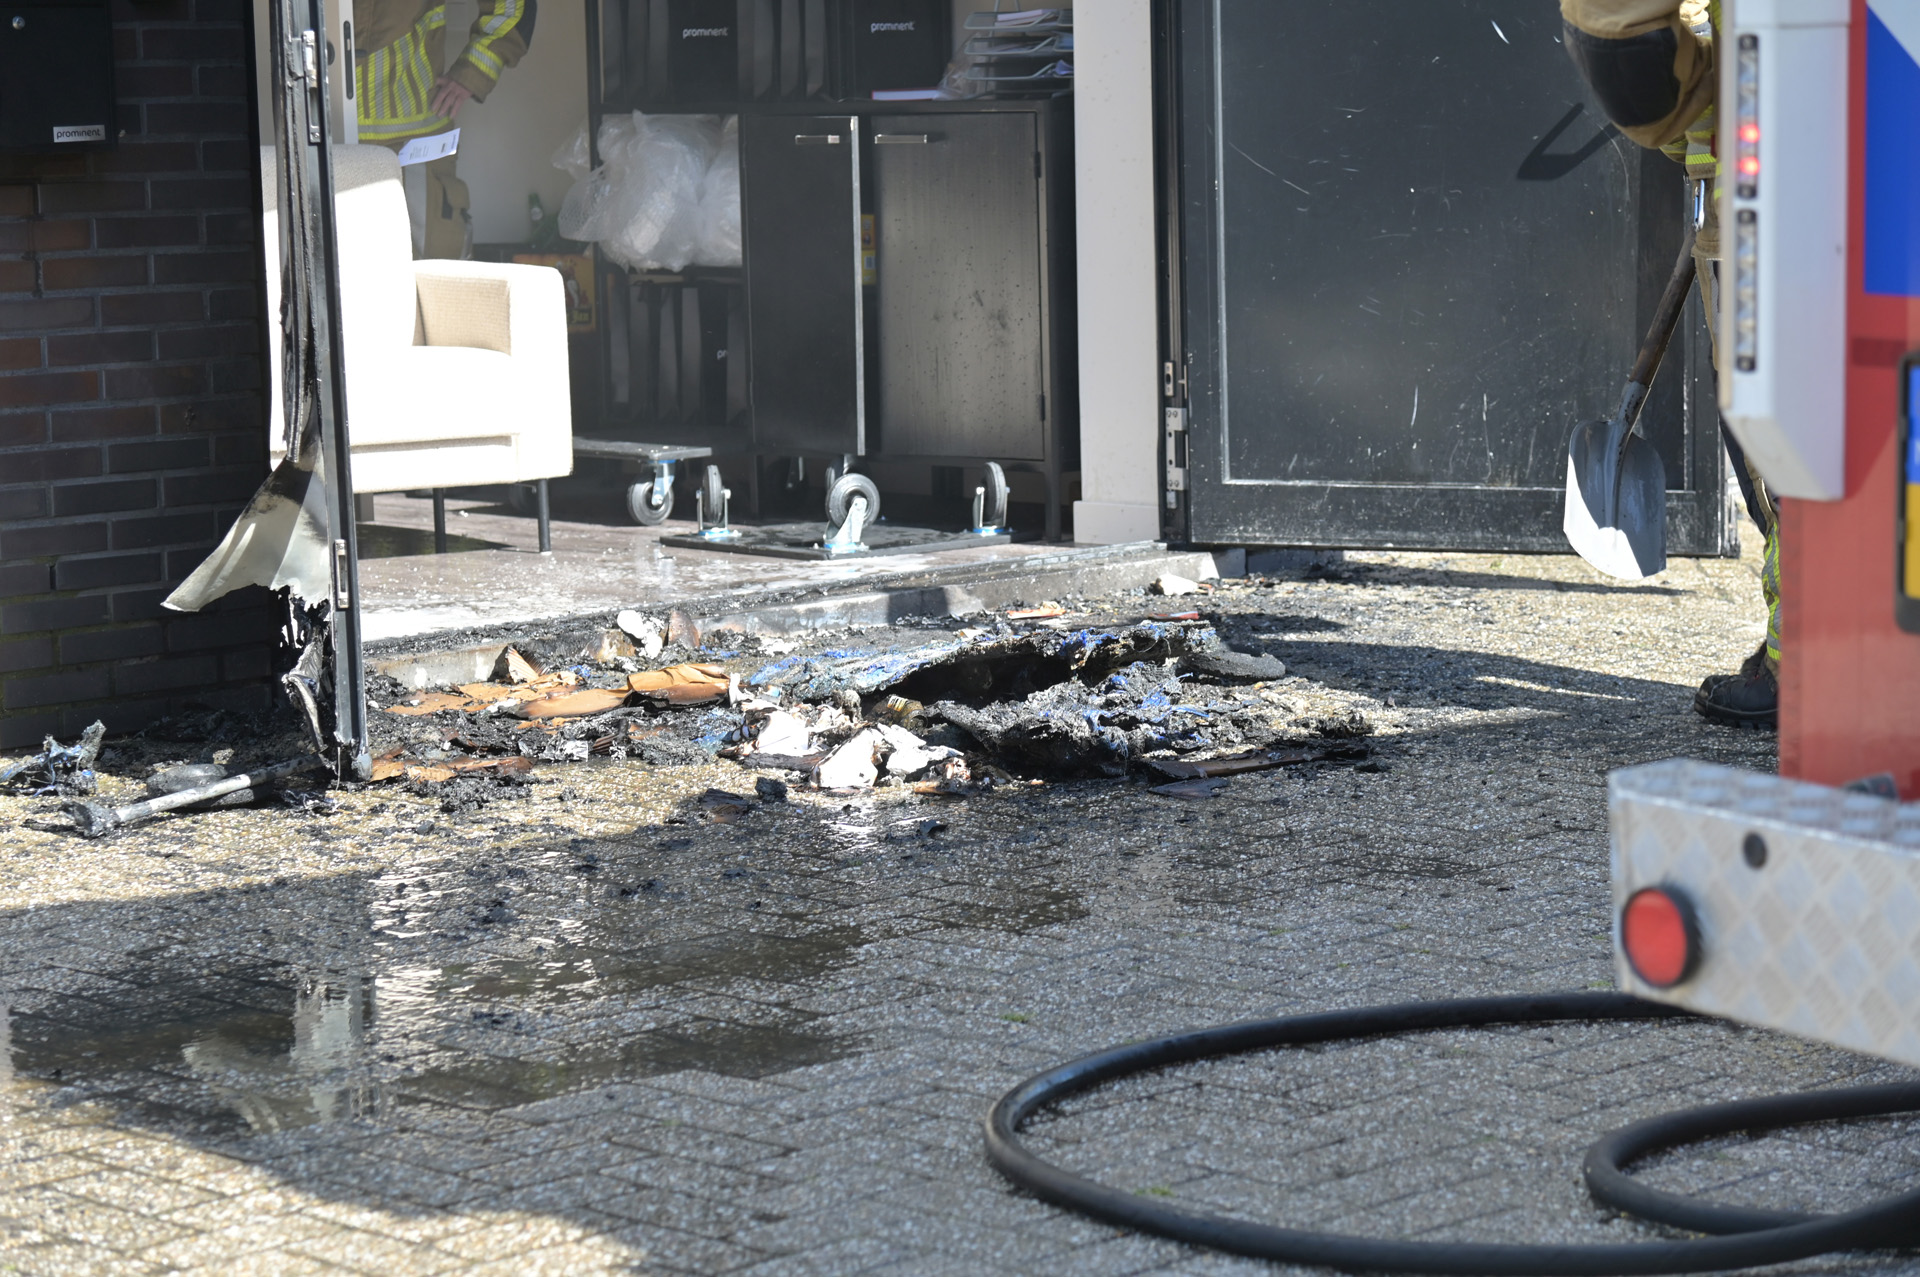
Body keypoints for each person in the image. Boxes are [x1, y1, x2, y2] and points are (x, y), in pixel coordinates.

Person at [1560, 0, 1781, 729]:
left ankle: (1816, 656)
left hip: (1775, 212)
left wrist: (1700, 102)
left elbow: (1619, 35)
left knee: (1793, 446)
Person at [352, 1, 533, 259]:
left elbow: (512, 6)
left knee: (431, 284)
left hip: (413, 146)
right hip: (323, 143)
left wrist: (475, 72)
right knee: (340, 287)